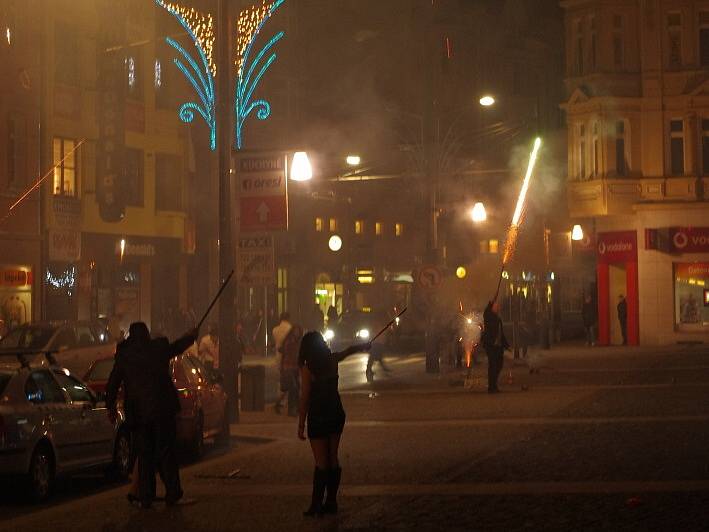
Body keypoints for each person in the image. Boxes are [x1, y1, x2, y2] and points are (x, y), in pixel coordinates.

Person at [106, 322, 198, 508]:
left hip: (139, 413)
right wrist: (191, 336)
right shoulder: (158, 348)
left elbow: (113, 383)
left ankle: (146, 497)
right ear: (147, 334)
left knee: (145, 455)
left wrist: (111, 407)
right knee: (167, 453)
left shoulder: (124, 355)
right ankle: (173, 493)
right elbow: (177, 347)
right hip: (163, 410)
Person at [298, 332, 370, 516]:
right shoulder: (332, 360)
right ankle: (331, 501)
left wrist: (301, 423)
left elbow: (305, 397)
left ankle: (316, 505)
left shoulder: (308, 368)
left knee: (321, 463)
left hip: (319, 415)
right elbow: (347, 351)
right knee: (333, 457)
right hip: (336, 413)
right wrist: (362, 346)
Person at [482, 300, 509, 394]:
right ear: (492, 308)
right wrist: (490, 302)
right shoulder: (488, 317)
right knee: (493, 366)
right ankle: (491, 386)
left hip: (498, 346)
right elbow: (486, 311)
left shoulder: (498, 319)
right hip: (491, 346)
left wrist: (506, 345)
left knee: (499, 365)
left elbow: (501, 334)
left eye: (498, 307)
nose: (498, 308)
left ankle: (494, 384)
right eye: (496, 306)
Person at [280, 324, 303, 416]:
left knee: (296, 388)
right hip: (288, 366)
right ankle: (291, 409)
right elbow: (285, 353)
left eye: (298, 332)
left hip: (296, 367)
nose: (296, 333)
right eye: (295, 331)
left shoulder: (299, 341)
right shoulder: (289, 341)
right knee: (293, 388)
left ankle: (296, 408)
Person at [273, 312, 293, 413]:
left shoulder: (275, 330)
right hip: (288, 356)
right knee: (290, 379)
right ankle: (283, 401)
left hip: (278, 355)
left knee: (281, 379)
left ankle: (280, 400)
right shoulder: (290, 329)